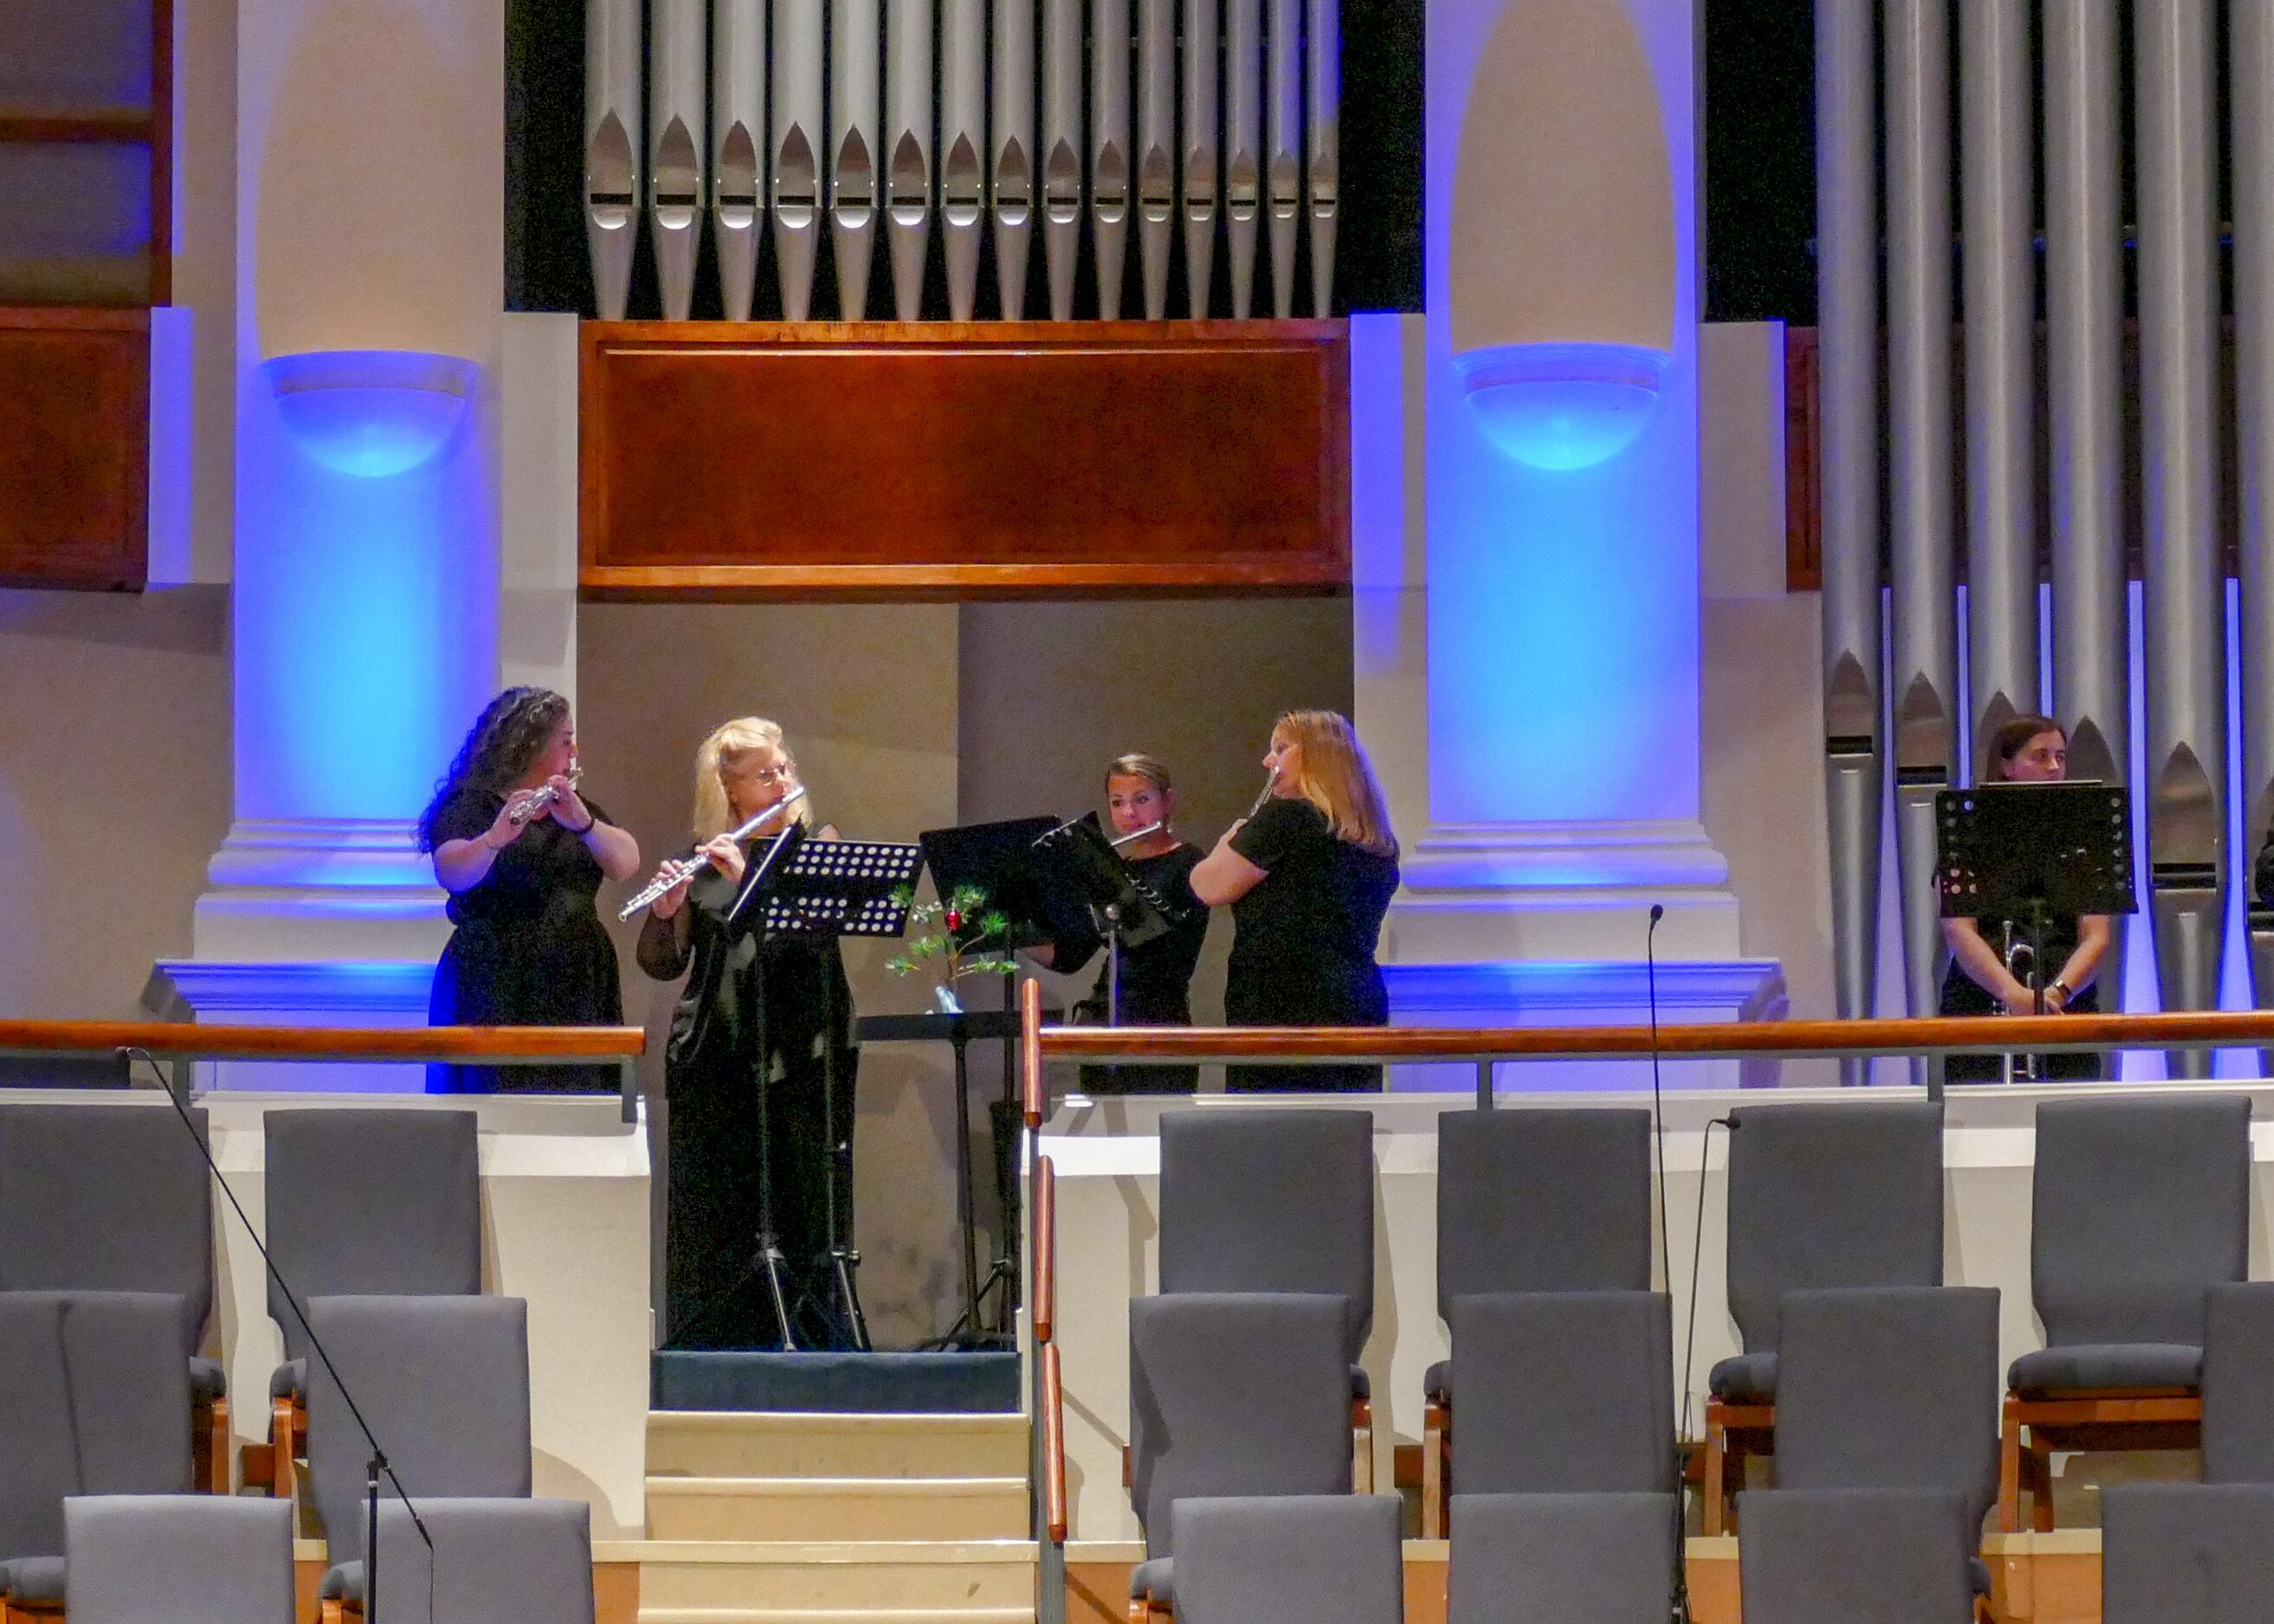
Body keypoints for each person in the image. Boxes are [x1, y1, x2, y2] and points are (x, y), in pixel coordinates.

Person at [636, 717, 858, 1349]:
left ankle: (807, 1334)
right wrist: (665, 914)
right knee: (722, 1195)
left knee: (801, 1188)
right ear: (730, 791)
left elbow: (809, 942)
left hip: (801, 1042)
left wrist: (747, 882)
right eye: (766, 774)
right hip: (720, 1046)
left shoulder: (818, 847)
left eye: (784, 769)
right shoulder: (703, 855)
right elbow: (664, 964)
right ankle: (716, 1339)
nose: (782, 781)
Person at [419, 687, 641, 1092]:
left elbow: (626, 863)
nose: (575, 752)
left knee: (578, 1095)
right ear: (530, 745)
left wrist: (585, 824)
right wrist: (494, 838)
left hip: (576, 975)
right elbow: (452, 871)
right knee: (495, 1095)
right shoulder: (471, 806)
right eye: (566, 741)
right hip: (495, 973)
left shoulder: (572, 807)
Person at [1190, 710, 1401, 1092]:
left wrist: (1231, 837)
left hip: (1280, 1006)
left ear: (1317, 757)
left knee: (1276, 1125)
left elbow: (1207, 886)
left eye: (1281, 748)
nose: (1267, 761)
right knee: (1345, 1122)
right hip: (1355, 1002)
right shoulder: (1377, 840)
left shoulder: (1285, 818)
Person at [1940, 714, 2112, 1082]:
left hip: (2067, 1009)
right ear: (2006, 766)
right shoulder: (1966, 835)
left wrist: (2056, 994)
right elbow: (1959, 930)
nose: (2054, 767)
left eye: (2060, 757)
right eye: (2041, 756)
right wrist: (2013, 994)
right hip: (1980, 1005)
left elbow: (2097, 936)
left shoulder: (2083, 838)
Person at [1061, 754, 1209, 1095]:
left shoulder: (1188, 861)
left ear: (1167, 801)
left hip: (1158, 1021)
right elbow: (1071, 952)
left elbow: (1155, 938)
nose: (1129, 813)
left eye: (1142, 799)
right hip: (1105, 1018)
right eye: (1117, 802)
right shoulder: (1119, 868)